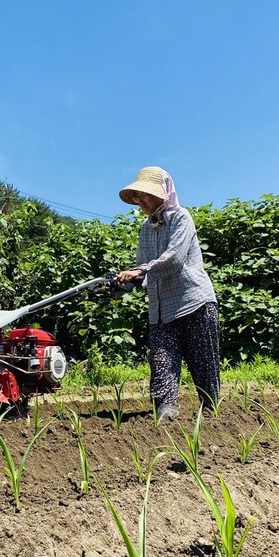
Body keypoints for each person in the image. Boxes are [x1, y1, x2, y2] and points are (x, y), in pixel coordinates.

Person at [114, 166, 220, 421]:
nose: (141, 201)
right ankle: (166, 410)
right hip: (160, 309)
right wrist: (123, 286)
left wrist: (139, 270)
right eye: (138, 197)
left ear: (164, 193)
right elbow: (143, 271)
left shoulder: (181, 218)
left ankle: (210, 412)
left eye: (146, 195)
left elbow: (173, 260)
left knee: (203, 361)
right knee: (161, 359)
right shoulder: (144, 229)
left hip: (193, 302)